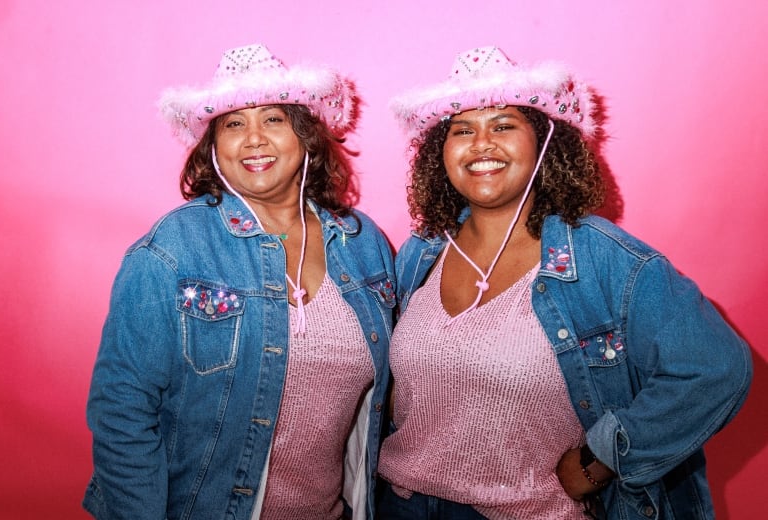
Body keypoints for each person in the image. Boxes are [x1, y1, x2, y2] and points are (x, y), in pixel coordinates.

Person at [376, 46, 752, 519]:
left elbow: (715, 368)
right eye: (462, 130)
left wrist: (600, 461)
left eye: (504, 125)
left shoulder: (604, 259)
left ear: (543, 141)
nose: (481, 144)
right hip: (402, 504)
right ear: (440, 152)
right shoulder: (421, 254)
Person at [83, 43, 395, 520]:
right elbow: (121, 413)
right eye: (233, 123)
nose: (253, 138)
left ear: (306, 135)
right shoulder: (172, 251)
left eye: (273, 119)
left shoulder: (363, 241)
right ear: (213, 145)